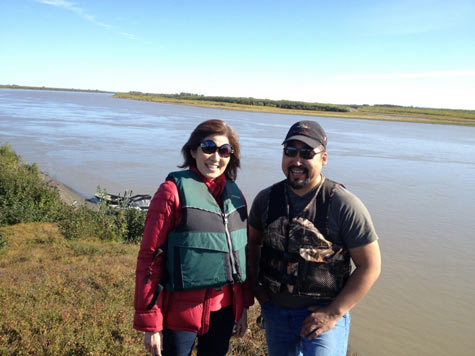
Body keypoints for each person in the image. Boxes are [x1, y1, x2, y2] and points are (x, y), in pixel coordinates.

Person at [248, 120, 381, 356]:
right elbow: (252, 245)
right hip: (275, 311)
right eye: (290, 151)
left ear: (324, 159)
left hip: (324, 313)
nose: (296, 161)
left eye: (307, 153)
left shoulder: (343, 204)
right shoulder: (266, 199)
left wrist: (333, 313)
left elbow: (370, 266)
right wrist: (256, 288)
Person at [134, 119, 254, 356]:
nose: (216, 157)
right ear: (193, 150)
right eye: (208, 148)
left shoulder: (236, 195)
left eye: (224, 151)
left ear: (232, 157)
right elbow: (150, 258)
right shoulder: (171, 192)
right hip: (180, 313)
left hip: (224, 311)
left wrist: (243, 309)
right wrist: (151, 323)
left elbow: (241, 254)